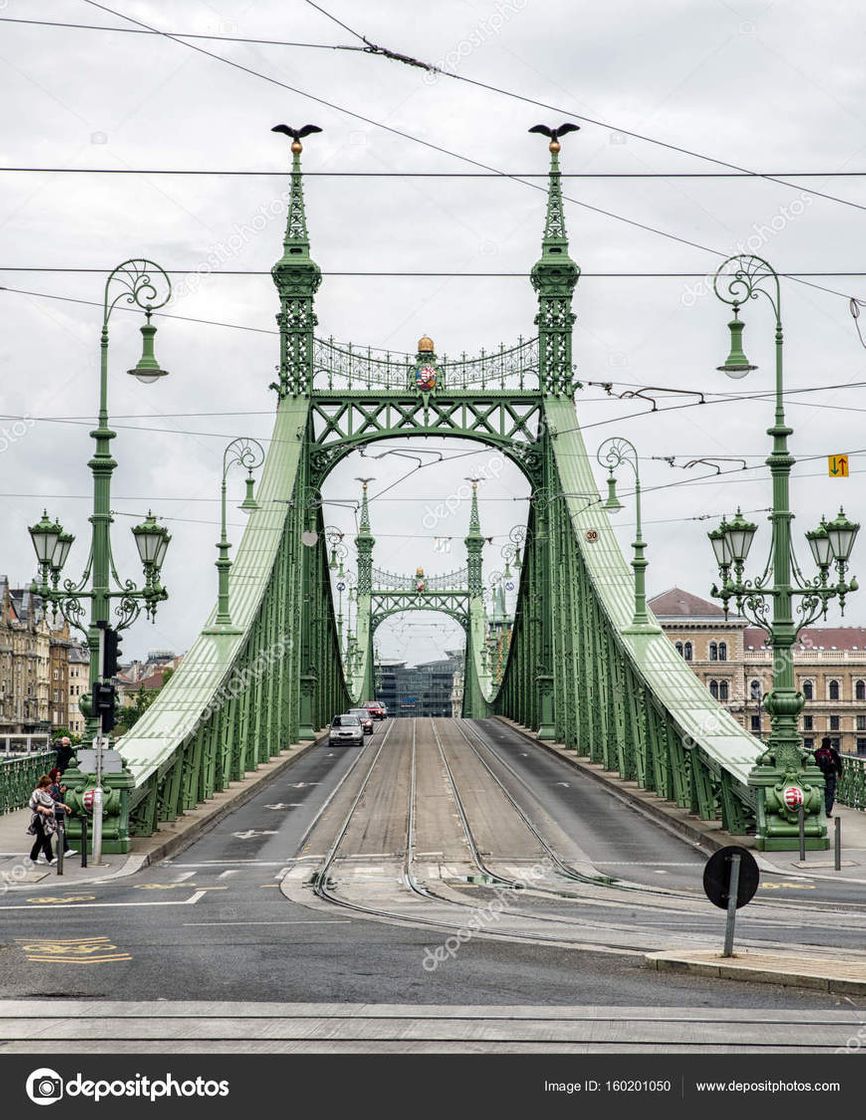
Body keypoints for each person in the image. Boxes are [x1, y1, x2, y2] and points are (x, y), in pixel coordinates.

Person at [813, 736, 843, 817]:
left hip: (819, 775)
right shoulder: (833, 752)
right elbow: (839, 764)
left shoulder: (817, 752)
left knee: (820, 793)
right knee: (830, 793)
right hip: (830, 775)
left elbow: (813, 764)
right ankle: (827, 811)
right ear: (830, 743)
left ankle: (819, 810)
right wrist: (840, 774)